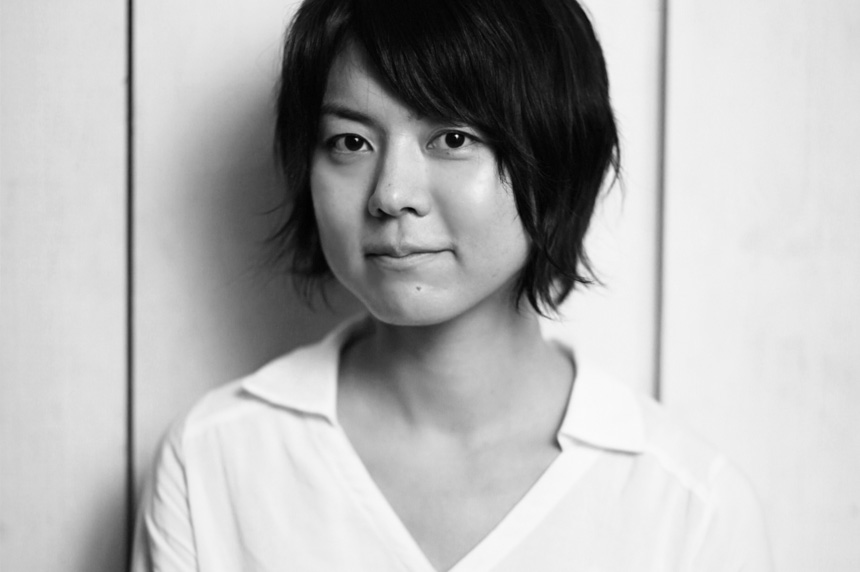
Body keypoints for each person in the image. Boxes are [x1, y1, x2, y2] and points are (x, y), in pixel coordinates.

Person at [131, 0, 772, 570]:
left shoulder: (687, 511)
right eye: (350, 141)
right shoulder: (214, 463)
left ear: (558, 159)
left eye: (452, 137)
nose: (391, 195)